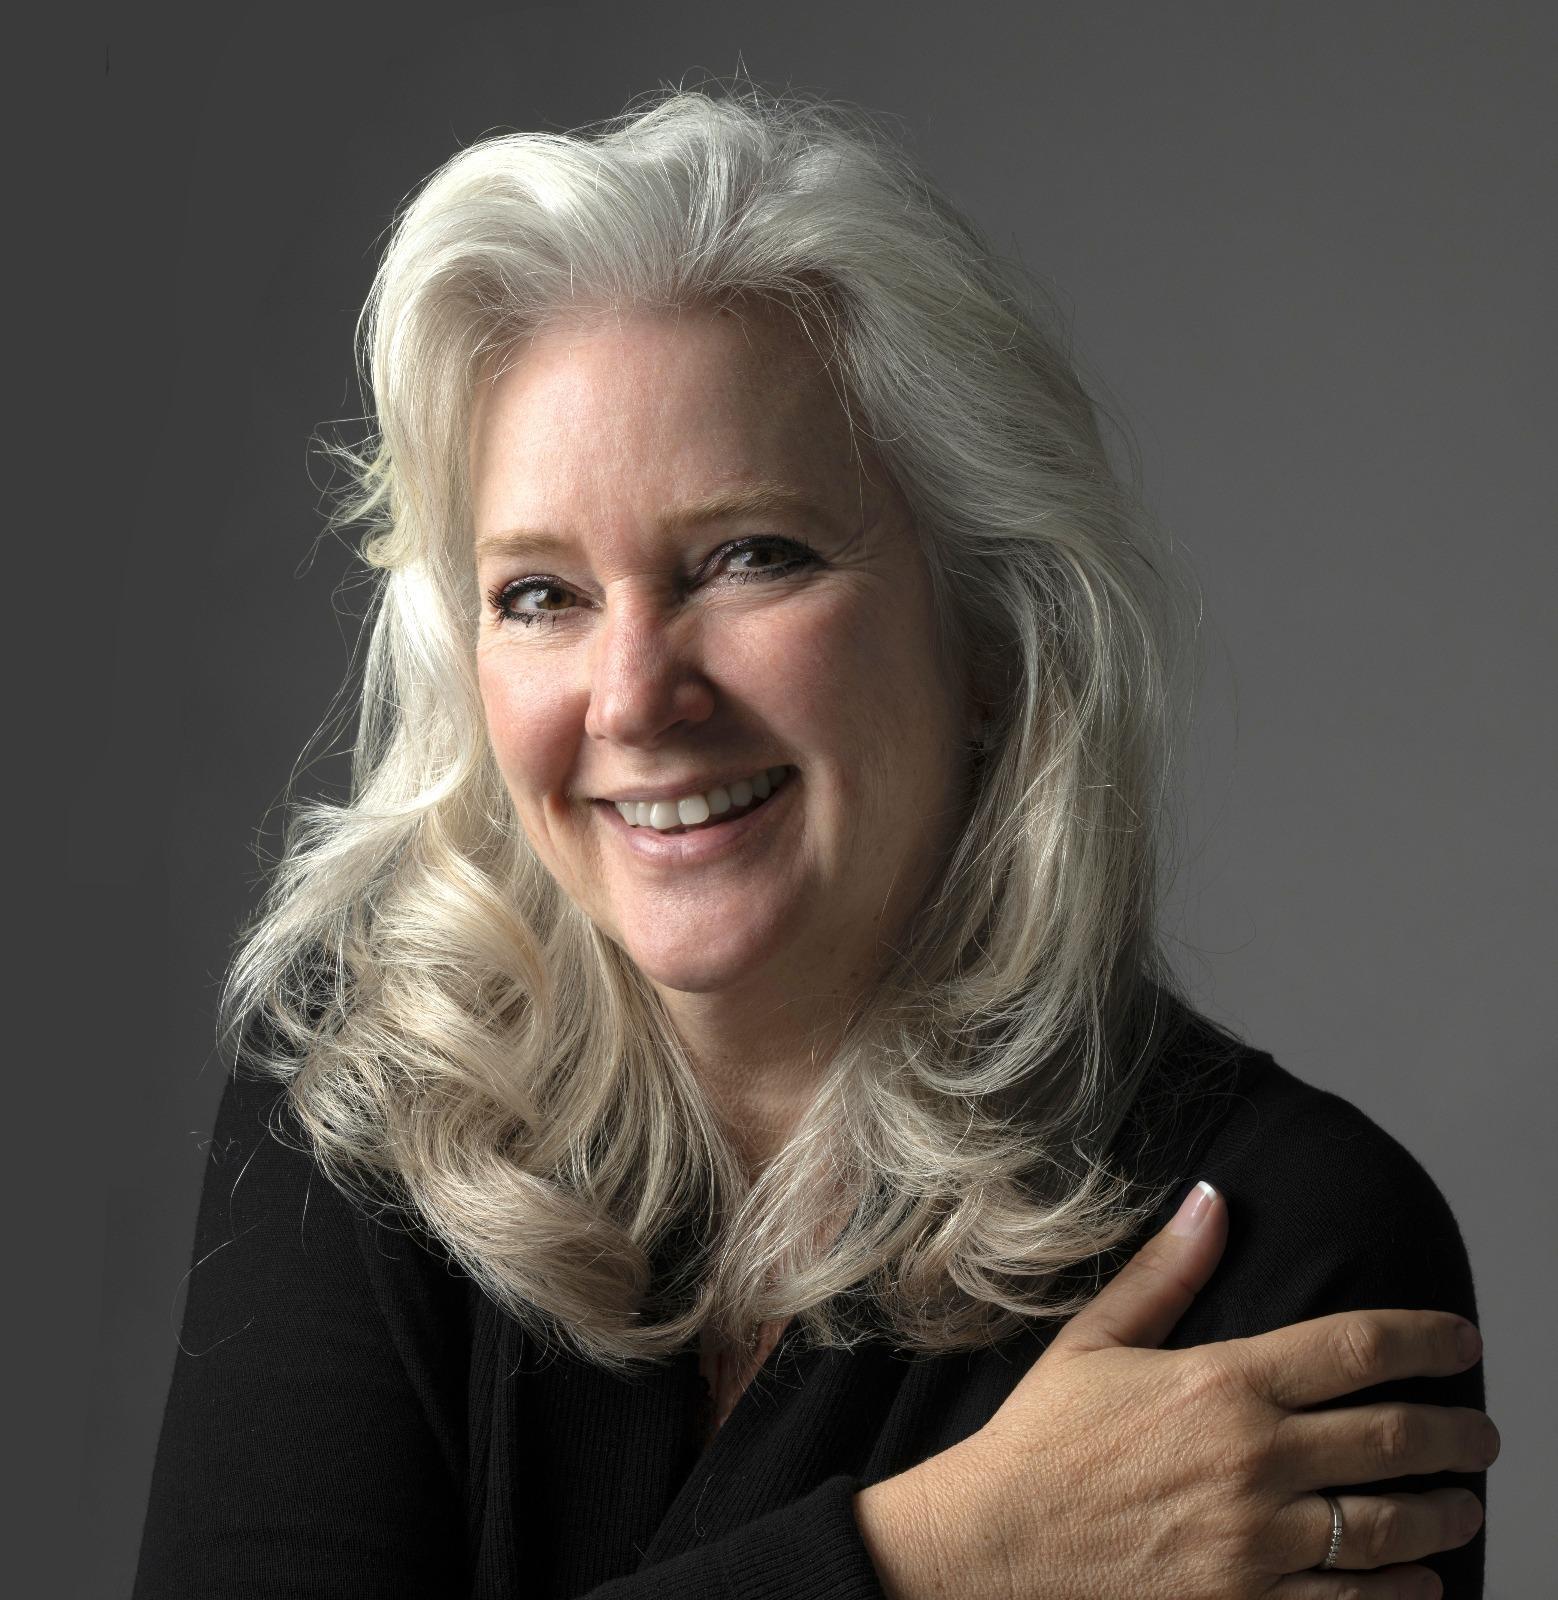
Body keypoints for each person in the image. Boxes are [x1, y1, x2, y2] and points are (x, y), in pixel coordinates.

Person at [134, 87, 1494, 1599]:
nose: (633, 697)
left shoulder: (1291, 1248)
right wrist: (948, 1558)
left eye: (749, 558)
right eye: (539, 595)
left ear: (990, 635)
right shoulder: (364, 1095)